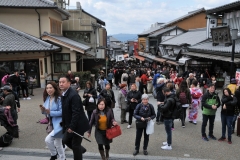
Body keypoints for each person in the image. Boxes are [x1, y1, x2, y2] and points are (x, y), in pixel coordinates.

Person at [59, 76, 90, 160]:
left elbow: (76, 112)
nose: (61, 84)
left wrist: (72, 126)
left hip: (78, 124)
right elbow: (65, 111)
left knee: (76, 145)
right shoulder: (64, 94)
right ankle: (81, 149)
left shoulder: (73, 95)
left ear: (69, 83)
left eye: (63, 82)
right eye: (60, 82)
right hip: (70, 124)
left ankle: (78, 151)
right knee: (65, 140)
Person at [40, 82, 65, 160]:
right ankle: (62, 158)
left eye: (51, 88)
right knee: (58, 143)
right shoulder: (48, 98)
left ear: (55, 88)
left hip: (59, 123)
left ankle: (54, 155)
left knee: (48, 140)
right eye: (47, 88)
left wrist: (50, 112)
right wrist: (43, 110)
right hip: (52, 123)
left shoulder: (59, 99)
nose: (49, 90)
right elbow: (46, 112)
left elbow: (62, 112)